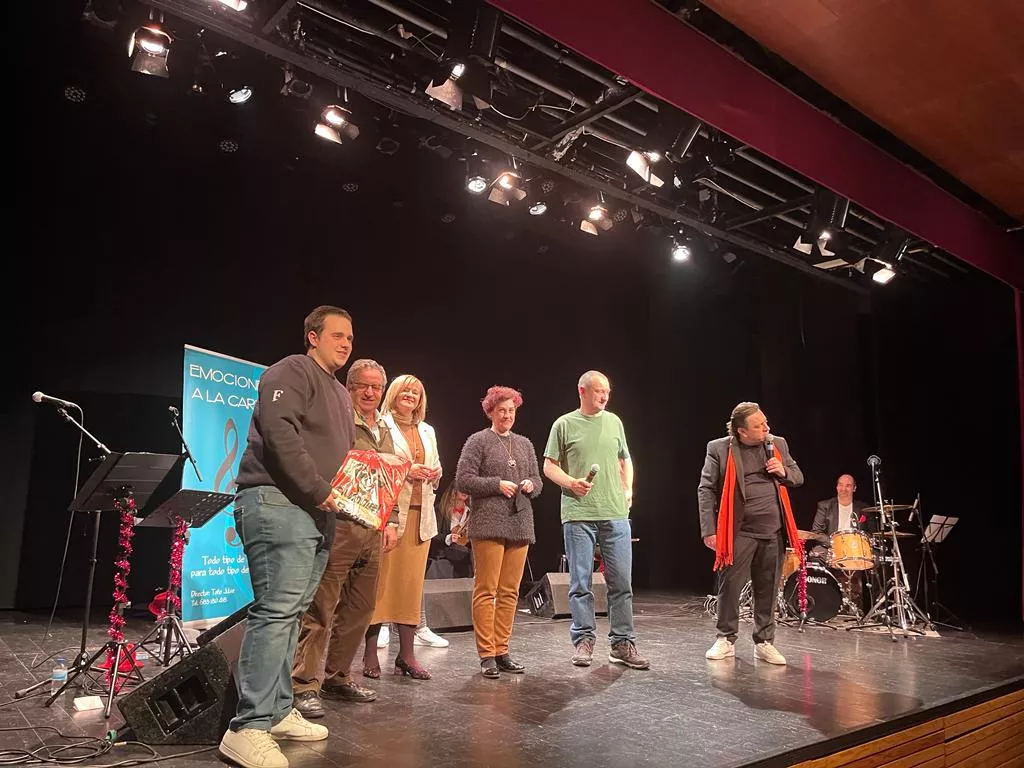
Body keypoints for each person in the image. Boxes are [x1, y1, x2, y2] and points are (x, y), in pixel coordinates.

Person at [219, 306, 354, 768]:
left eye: (350, 338)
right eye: (337, 335)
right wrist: (320, 491)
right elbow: (280, 433)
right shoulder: (291, 370)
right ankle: (248, 726)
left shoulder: (340, 392)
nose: (345, 343)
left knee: (293, 614)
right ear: (312, 337)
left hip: (316, 512)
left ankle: (276, 711)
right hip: (278, 501)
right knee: (276, 612)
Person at [290, 359, 399, 718]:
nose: (370, 393)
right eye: (363, 386)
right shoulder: (338, 421)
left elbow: (387, 479)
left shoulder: (383, 426)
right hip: (338, 524)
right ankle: (303, 684)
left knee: (360, 609)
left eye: (376, 387)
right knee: (321, 607)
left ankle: (337, 677)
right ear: (349, 388)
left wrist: (392, 520)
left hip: (372, 527)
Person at [542, 371, 649, 670]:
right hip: (579, 515)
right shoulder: (563, 424)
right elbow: (549, 466)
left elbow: (624, 459)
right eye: (599, 391)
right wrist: (571, 482)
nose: (604, 396)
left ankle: (622, 643)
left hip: (615, 514)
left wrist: (628, 490)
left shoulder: (614, 421)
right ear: (582, 391)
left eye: (607, 392)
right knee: (580, 583)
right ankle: (584, 640)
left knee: (621, 583)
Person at [698, 402, 804, 666]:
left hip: (773, 530)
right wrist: (709, 530)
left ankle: (764, 642)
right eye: (759, 425)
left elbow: (798, 476)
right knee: (730, 586)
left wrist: (783, 472)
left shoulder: (776, 444)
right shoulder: (719, 448)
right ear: (741, 431)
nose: (766, 428)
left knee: (767, 588)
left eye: (766, 422)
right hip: (739, 531)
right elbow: (706, 489)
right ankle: (725, 638)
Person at [455, 386, 542, 678]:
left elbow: (537, 481)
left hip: (520, 522)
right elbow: (463, 480)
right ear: (491, 411)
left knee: (510, 591)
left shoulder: (525, 444)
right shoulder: (478, 441)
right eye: (502, 410)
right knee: (487, 590)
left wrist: (530, 484)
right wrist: (496, 484)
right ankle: (487, 654)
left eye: (511, 410)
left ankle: (503, 650)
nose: (507, 415)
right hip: (489, 522)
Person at [362, 374, 441, 680]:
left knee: (410, 588)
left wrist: (435, 472)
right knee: (380, 587)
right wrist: (409, 470)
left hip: (422, 519)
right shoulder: (381, 425)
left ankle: (406, 656)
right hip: (390, 518)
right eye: (406, 390)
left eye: (417, 392)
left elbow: (437, 465)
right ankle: (370, 653)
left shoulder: (427, 430)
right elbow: (376, 463)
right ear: (393, 393)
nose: (411, 395)